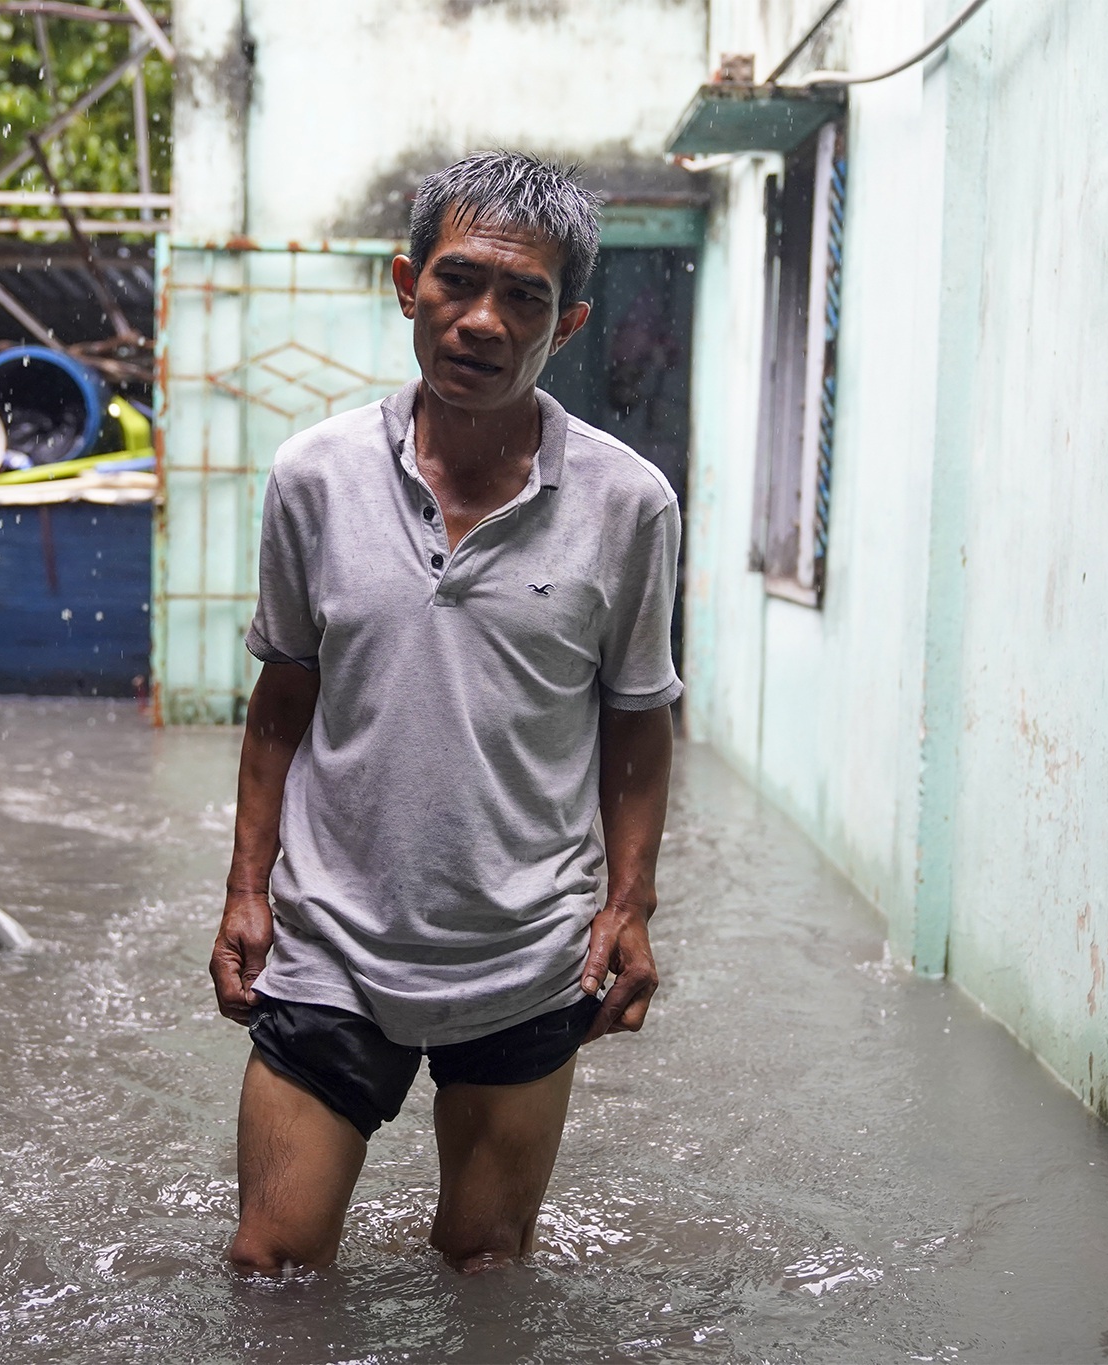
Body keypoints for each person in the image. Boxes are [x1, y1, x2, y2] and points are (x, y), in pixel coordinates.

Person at [208, 150, 681, 1275]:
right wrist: (245, 889)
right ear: (405, 283)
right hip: (331, 940)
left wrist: (630, 905)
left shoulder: (628, 504)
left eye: (523, 298)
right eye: (457, 282)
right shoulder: (312, 476)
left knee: (485, 1266)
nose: (481, 322)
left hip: (526, 947)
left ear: (566, 324)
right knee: (271, 1267)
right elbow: (283, 696)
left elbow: (638, 719)